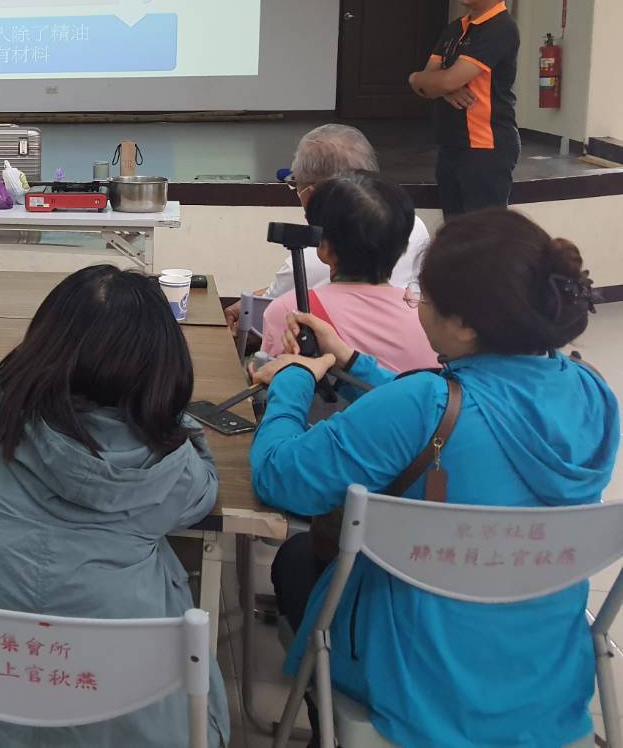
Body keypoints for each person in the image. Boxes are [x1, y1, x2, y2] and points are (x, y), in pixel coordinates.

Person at [248, 209, 615, 746]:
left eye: (422, 294)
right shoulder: (592, 392)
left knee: (299, 559)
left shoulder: (421, 404)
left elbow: (279, 476)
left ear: (465, 325)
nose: (414, 301)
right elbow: (469, 404)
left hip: (419, 682)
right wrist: (352, 361)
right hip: (547, 682)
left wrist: (294, 380)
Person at [0, 265, 229, 747]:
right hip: (120, 731)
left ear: (43, 341)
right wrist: (172, 421)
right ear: (162, 370)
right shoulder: (170, 468)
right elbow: (205, 492)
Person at [224, 124, 429, 335]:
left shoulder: (312, 255)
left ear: (312, 194)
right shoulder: (414, 226)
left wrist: (245, 314)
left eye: (295, 184)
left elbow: (264, 320)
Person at [259, 172, 437, 373]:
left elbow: (273, 383)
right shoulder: (430, 317)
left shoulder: (293, 312)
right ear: (404, 247)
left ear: (324, 247)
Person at [409, 0, 521, 217]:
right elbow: (424, 79)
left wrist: (439, 84)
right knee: (455, 229)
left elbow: (447, 79)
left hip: (484, 147)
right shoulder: (455, 28)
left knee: (482, 233)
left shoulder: (500, 28)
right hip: (451, 143)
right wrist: (435, 86)